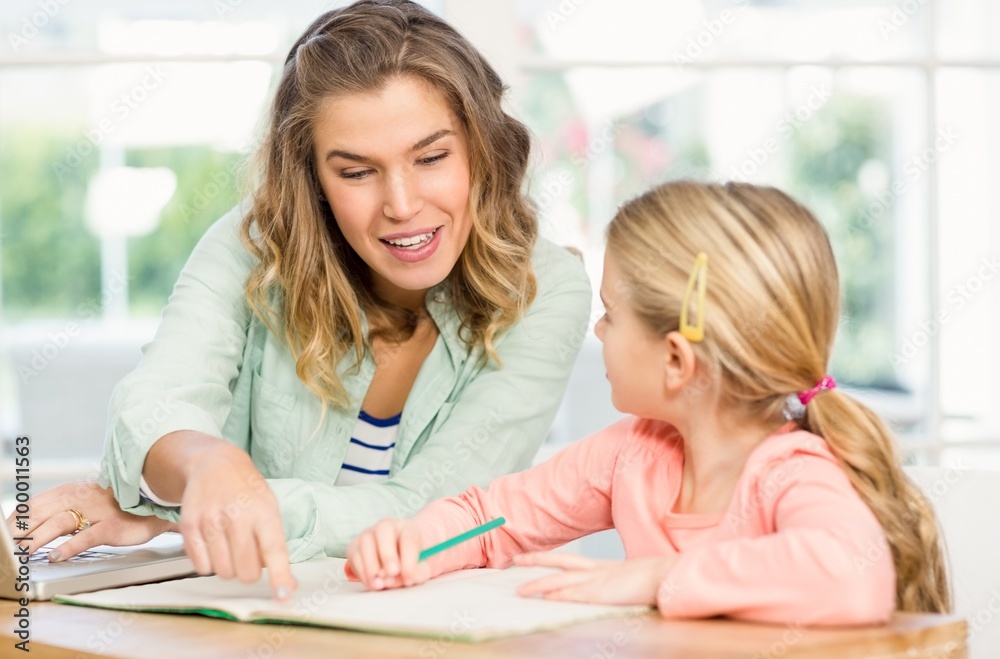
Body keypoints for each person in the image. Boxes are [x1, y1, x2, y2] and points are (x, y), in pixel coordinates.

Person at [9, 0, 591, 601]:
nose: (401, 204)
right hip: (271, 618)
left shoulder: (545, 290)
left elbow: (431, 510)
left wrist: (178, 514)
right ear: (311, 178)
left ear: (482, 148)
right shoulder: (252, 247)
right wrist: (207, 466)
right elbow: (157, 403)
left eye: (432, 157)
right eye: (357, 172)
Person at [345, 180, 951, 625]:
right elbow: (490, 519)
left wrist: (659, 578)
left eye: (612, 314)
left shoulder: (791, 472)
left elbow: (853, 577)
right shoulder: (632, 454)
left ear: (676, 361)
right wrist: (416, 544)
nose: (600, 332)